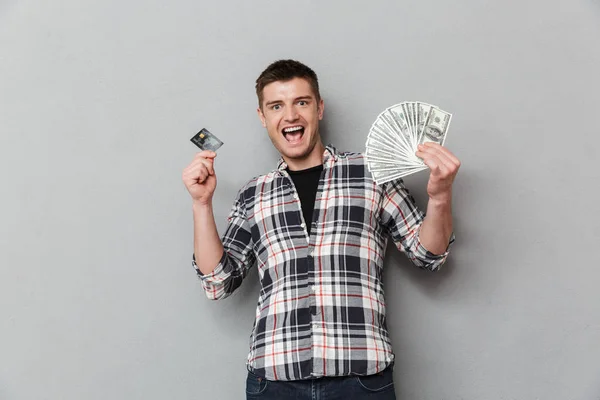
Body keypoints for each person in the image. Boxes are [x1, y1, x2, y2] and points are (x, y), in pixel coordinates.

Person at [181, 60, 460, 399]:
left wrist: (440, 195)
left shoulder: (370, 174)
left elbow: (428, 254)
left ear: (319, 108)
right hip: (274, 382)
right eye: (276, 106)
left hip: (361, 380)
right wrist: (201, 204)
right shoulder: (254, 194)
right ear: (263, 117)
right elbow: (218, 282)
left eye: (301, 102)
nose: (291, 115)